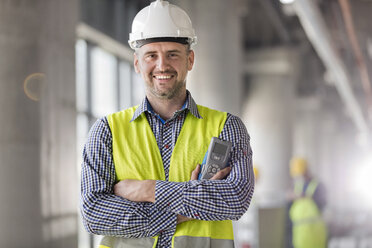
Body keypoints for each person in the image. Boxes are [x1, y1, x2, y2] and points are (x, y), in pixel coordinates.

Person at [80, 0, 255, 247]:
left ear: (190, 60)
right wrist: (185, 208)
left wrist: (148, 189)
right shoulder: (106, 131)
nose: (162, 65)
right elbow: (94, 214)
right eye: (151, 55)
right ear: (138, 63)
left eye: (173, 54)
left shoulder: (227, 126)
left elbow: (236, 199)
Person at [288, 157, 327, 248]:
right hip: (300, 236)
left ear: (306, 170)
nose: (299, 176)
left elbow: (323, 204)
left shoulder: (318, 185)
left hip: (315, 235)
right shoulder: (297, 186)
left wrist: (307, 197)